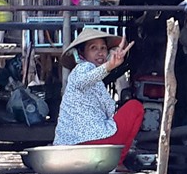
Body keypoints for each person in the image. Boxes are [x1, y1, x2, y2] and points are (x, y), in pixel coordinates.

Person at [53, 28, 144, 165]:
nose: (100, 52)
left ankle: (115, 162)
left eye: (103, 48)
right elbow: (83, 80)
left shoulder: (97, 79)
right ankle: (116, 162)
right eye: (93, 48)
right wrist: (109, 66)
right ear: (82, 53)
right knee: (135, 107)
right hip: (88, 141)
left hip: (78, 145)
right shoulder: (83, 68)